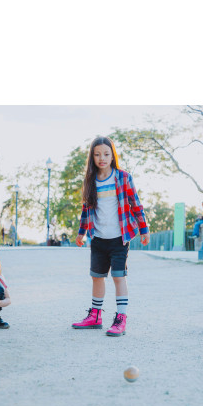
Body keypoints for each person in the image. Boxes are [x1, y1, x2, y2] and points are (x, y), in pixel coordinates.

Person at [72, 135, 149, 336]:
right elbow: (86, 209)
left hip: (119, 238)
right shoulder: (90, 181)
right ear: (92, 157)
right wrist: (82, 233)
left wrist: (144, 229)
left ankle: (120, 318)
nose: (102, 158)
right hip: (98, 238)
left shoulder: (123, 177)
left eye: (106, 154)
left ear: (112, 156)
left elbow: (135, 204)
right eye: (97, 154)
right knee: (97, 277)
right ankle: (95, 315)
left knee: (118, 276)